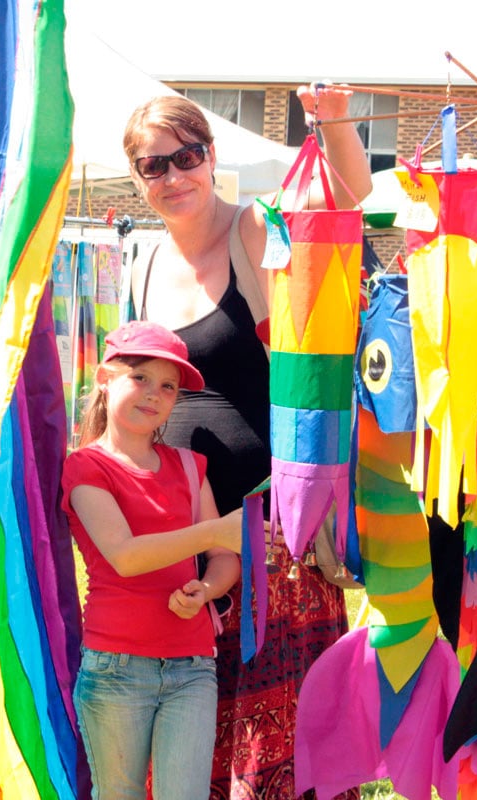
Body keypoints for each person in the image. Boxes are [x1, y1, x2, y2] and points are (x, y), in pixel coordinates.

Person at [124, 86, 372, 798]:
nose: (173, 176)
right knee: (187, 733)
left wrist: (333, 121)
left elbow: (343, 205)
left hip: (275, 534)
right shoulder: (142, 262)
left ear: (210, 156)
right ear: (138, 179)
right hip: (177, 533)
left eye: (186, 157)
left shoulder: (255, 232)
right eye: (153, 166)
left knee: (280, 741)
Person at [63, 320, 243, 800]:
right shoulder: (85, 466)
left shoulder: (189, 465)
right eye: (140, 377)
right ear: (105, 378)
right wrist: (215, 531)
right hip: (116, 666)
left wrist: (207, 589)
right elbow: (125, 556)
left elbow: (223, 559)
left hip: (193, 666)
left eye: (168, 386)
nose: (154, 394)